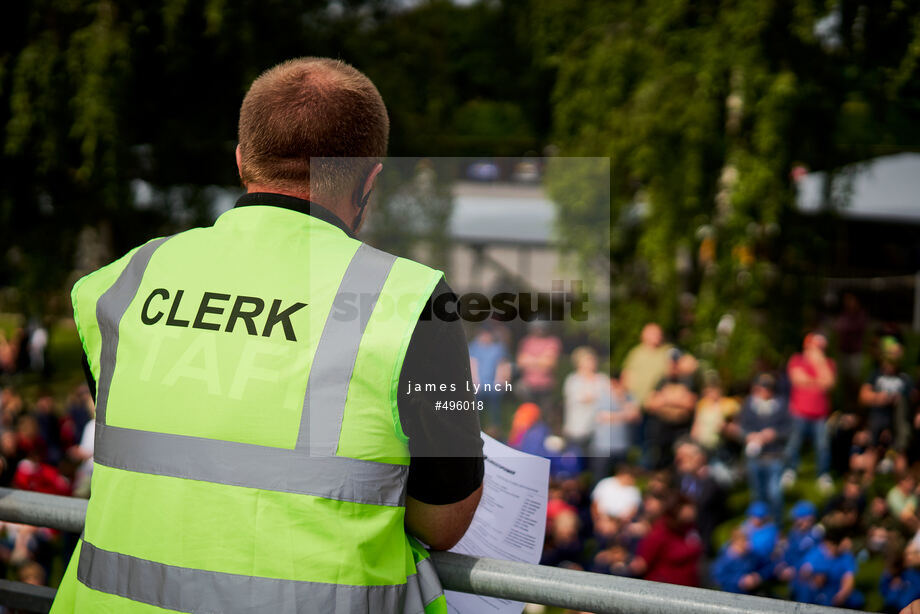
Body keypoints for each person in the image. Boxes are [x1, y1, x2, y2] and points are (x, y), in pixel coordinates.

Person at [51, 58, 484, 614]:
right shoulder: (412, 299)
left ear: (240, 160)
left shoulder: (122, 281)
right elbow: (444, 521)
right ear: (371, 178)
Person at [783, 332, 837, 493]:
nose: (819, 350)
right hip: (799, 411)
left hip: (820, 414)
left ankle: (823, 474)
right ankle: (790, 470)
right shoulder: (797, 360)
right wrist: (818, 381)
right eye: (816, 347)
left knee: (822, 446)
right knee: (793, 444)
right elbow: (798, 380)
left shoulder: (828, 363)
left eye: (821, 348)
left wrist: (819, 364)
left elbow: (829, 383)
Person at [739, 374, 792, 522]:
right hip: (755, 457)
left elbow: (789, 430)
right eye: (762, 387)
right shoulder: (749, 405)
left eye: (768, 388)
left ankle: (776, 523)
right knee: (757, 494)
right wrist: (749, 436)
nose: (764, 391)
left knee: (774, 494)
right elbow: (742, 428)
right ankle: (757, 524)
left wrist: (774, 434)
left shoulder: (781, 405)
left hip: (774, 457)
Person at [643, 349, 697, 469]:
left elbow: (690, 404)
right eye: (671, 362)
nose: (673, 366)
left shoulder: (688, 380)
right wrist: (677, 398)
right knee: (659, 460)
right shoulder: (661, 380)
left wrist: (666, 397)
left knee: (680, 461)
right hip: (661, 429)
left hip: (681, 429)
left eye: (676, 362)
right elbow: (650, 403)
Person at [634, 493, 702, 587]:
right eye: (687, 508)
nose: (692, 511)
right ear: (675, 510)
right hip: (663, 590)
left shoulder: (690, 529)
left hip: (689, 588)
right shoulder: (659, 532)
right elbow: (641, 564)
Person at [562, 346, 610, 451]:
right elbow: (582, 398)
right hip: (577, 429)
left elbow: (609, 399)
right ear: (579, 362)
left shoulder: (602, 379)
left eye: (593, 359)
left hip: (599, 430)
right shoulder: (573, 380)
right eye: (588, 360)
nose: (592, 362)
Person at [468, 322, 511, 433]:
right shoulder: (473, 347)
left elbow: (503, 365)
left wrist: (501, 382)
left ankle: (495, 429)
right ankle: (475, 427)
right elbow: (472, 365)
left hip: (493, 385)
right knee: (476, 406)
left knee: (494, 404)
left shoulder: (498, 348)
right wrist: (474, 383)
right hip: (478, 385)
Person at [515, 321, 562, 421]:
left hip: (545, 386)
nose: (539, 330)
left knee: (545, 417)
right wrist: (541, 359)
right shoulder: (526, 341)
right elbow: (520, 362)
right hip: (529, 385)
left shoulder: (552, 341)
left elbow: (550, 363)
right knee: (529, 416)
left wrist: (530, 360)